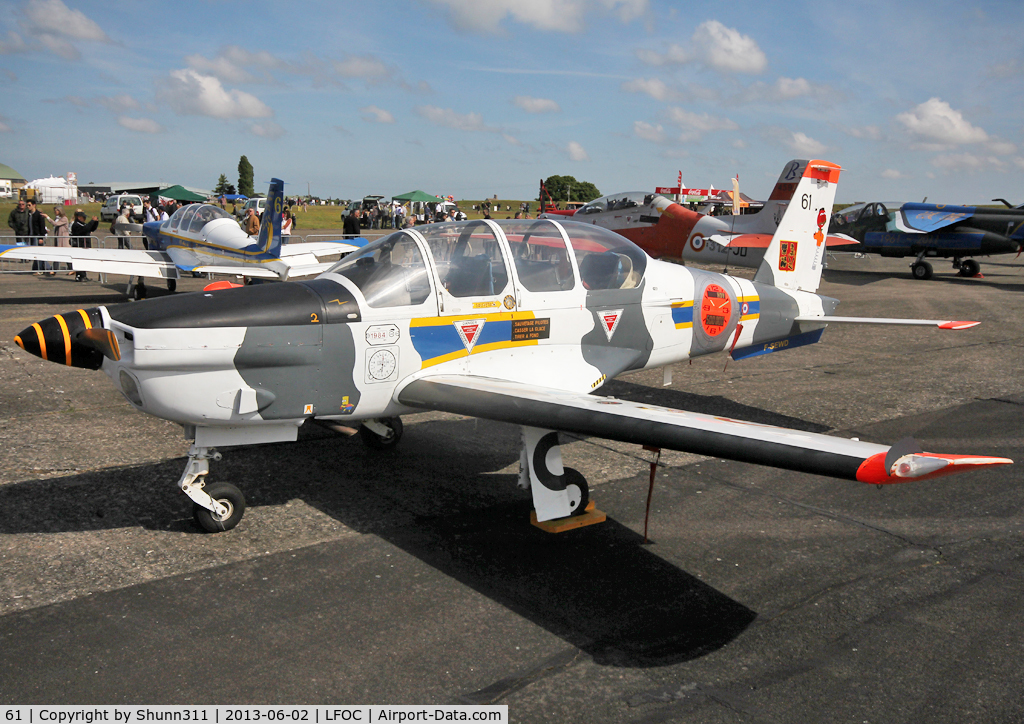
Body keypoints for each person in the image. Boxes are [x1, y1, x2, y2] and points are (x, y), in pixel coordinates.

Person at [70, 210, 98, 281]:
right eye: (83, 217)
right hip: (79, 245)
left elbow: (91, 228)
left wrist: (95, 222)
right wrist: (92, 221)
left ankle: (83, 275)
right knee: (80, 260)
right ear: (79, 217)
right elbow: (85, 229)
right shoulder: (76, 225)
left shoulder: (83, 224)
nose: (84, 219)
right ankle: (79, 276)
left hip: (85, 245)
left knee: (84, 261)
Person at [26, 199, 51, 273]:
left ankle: (41, 269)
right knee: (35, 253)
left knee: (38, 253)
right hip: (31, 235)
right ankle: (42, 268)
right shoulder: (29, 214)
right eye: (27, 205)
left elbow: (42, 227)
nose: (28, 207)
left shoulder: (39, 215)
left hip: (37, 236)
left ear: (34, 205)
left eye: (29, 205)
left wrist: (41, 237)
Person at [51, 206, 71, 273]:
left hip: (64, 239)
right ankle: (54, 269)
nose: (55, 212)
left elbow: (55, 224)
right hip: (58, 238)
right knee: (58, 254)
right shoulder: (57, 218)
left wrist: (47, 217)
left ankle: (71, 268)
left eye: (57, 210)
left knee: (65, 254)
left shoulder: (64, 218)